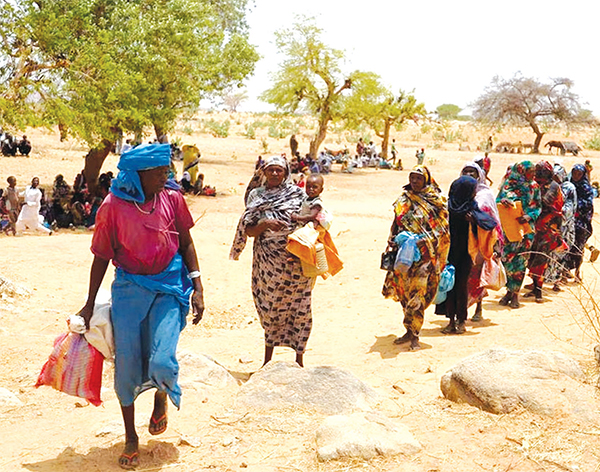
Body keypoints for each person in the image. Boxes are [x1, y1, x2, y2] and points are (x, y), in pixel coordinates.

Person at [75, 143, 205, 470]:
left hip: (169, 285)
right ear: (139, 174)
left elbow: (186, 241)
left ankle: (161, 395)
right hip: (129, 289)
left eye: (167, 170)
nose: (167, 176)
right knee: (128, 365)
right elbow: (102, 256)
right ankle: (131, 436)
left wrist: (198, 284)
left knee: (162, 359)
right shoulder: (113, 206)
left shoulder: (172, 198)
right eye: (160, 171)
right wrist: (89, 304)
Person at [230, 155, 313, 367]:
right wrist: (264, 224)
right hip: (267, 262)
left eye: (279, 170)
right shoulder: (256, 195)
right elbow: (248, 230)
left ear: (286, 173)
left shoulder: (298, 195)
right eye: (271, 170)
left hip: (294, 259)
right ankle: (267, 361)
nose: (275, 174)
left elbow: (311, 223)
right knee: (270, 306)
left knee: (300, 307)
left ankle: (299, 360)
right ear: (263, 173)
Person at [382, 166, 450, 350]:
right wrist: (392, 238)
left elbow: (443, 230)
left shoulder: (436, 201)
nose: (414, 181)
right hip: (403, 254)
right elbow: (397, 221)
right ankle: (408, 330)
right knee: (403, 291)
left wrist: (424, 240)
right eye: (412, 177)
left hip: (425, 257)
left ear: (426, 180)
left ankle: (415, 335)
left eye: (418, 178)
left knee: (418, 294)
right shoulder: (404, 198)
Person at [438, 175, 497, 334]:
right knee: (449, 286)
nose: (474, 194)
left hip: (465, 253)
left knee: (461, 286)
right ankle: (451, 321)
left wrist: (474, 221)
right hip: (449, 252)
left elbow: (490, 224)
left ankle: (461, 320)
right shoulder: (446, 208)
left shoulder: (472, 208)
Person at [459, 162, 502, 321]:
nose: (469, 175)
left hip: (481, 242)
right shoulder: (459, 191)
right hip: (463, 240)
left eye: (473, 172)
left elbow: (494, 221)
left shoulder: (486, 194)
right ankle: (461, 310)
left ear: (480, 175)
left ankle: (478, 307)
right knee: (463, 276)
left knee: (478, 275)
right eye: (466, 171)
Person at [497, 161, 541, 308]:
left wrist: (528, 216)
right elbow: (498, 200)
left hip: (525, 230)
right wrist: (504, 201)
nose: (532, 175)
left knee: (521, 262)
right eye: (530, 172)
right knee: (507, 261)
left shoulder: (534, 187)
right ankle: (509, 290)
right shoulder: (508, 185)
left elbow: (537, 207)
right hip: (509, 229)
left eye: (533, 172)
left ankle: (515, 294)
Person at [524, 161, 564, 302]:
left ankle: (539, 292)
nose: (539, 174)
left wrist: (532, 196)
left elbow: (546, 202)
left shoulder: (553, 186)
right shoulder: (536, 185)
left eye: (542, 171)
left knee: (541, 258)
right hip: (536, 227)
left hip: (548, 227)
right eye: (538, 171)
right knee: (533, 256)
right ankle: (535, 288)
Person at [567, 163, 595, 281]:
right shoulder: (568, 185)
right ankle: (564, 272)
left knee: (579, 248)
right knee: (567, 247)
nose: (576, 176)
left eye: (579, 174)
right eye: (574, 173)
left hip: (581, 223)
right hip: (569, 221)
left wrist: (576, 207)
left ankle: (577, 272)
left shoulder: (586, 188)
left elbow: (589, 205)